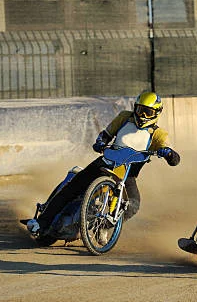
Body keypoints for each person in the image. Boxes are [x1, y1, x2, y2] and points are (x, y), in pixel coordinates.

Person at [26, 91, 180, 236]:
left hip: (127, 175)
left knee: (133, 205)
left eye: (148, 112)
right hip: (104, 164)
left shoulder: (159, 134)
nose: (143, 115)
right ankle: (41, 222)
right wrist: (100, 142)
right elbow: (106, 134)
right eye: (140, 110)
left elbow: (174, 158)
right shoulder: (124, 117)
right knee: (71, 189)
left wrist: (168, 154)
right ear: (135, 108)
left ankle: (105, 227)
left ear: (157, 113)